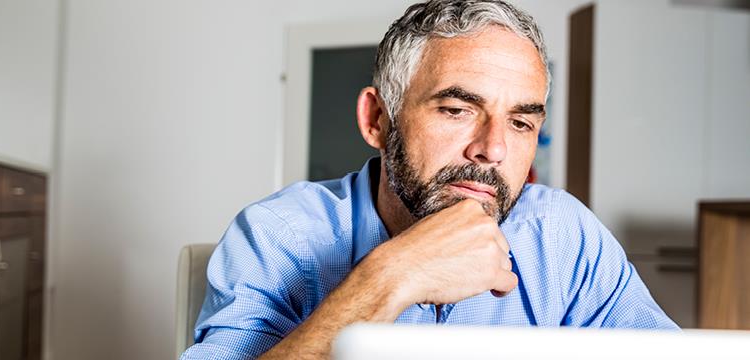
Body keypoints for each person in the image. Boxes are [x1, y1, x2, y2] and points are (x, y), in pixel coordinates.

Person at [181, 1, 678, 359]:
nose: (494, 148)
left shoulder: (565, 239)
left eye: (521, 122)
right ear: (377, 119)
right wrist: (391, 276)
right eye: (458, 110)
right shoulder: (278, 235)